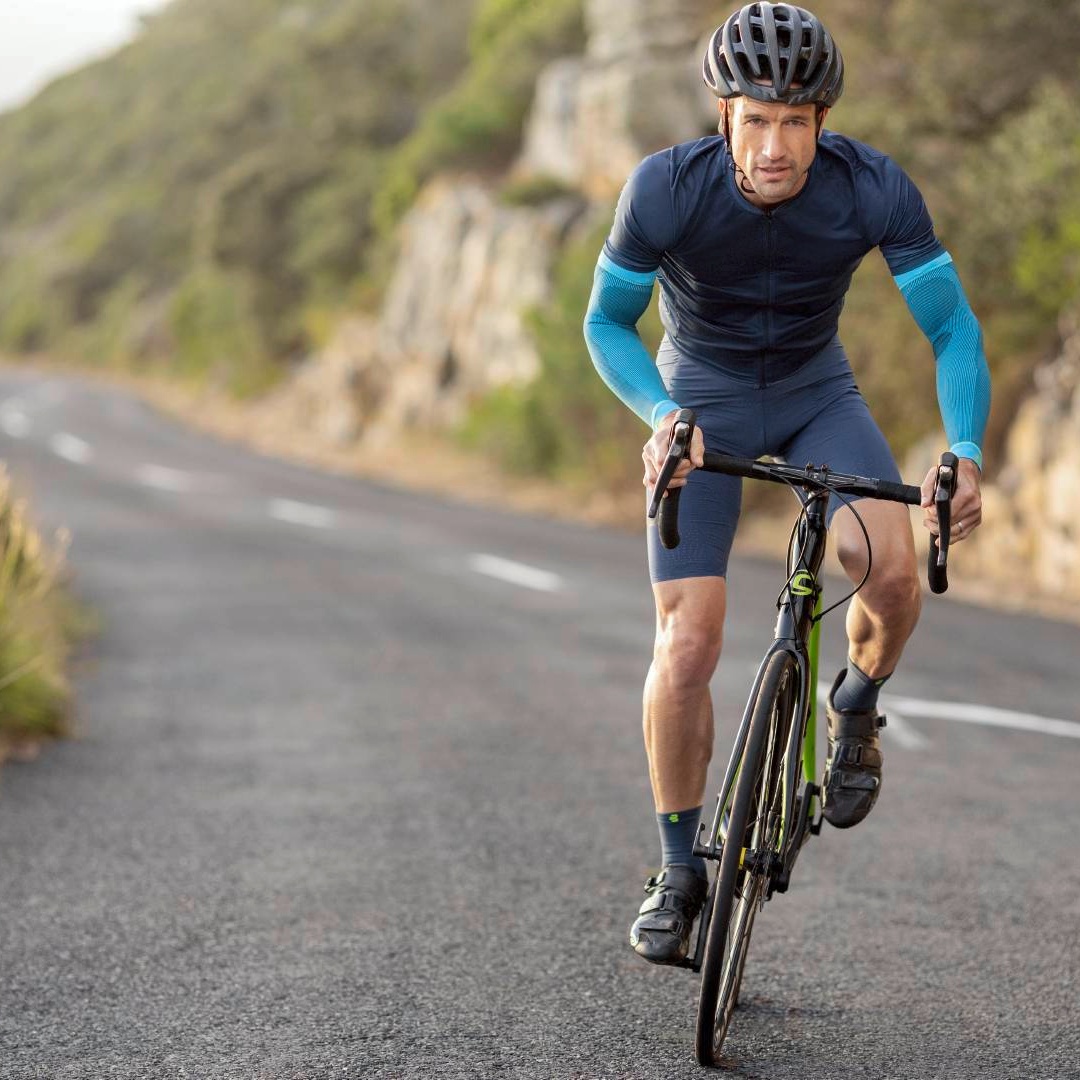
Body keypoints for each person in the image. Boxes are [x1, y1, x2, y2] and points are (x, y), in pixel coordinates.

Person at [582, 1, 991, 966]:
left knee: (885, 569)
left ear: (822, 122)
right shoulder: (665, 190)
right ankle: (680, 869)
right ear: (724, 114)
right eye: (756, 118)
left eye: (796, 122)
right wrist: (662, 419)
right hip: (700, 401)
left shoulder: (871, 187)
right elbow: (607, 325)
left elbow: (952, 329)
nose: (776, 145)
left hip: (816, 394)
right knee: (688, 641)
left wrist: (965, 451)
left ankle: (854, 705)